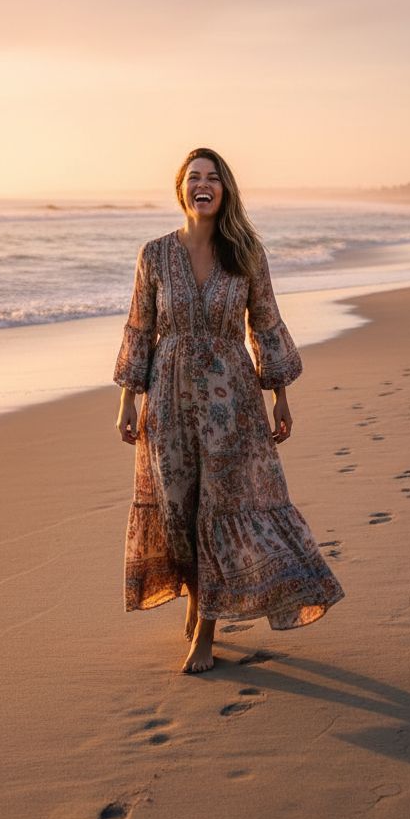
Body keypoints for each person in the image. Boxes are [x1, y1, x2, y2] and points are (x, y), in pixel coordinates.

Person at [114, 148, 345, 674]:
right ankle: (198, 600)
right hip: (167, 403)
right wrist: (127, 400)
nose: (204, 185)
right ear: (181, 190)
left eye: (213, 178)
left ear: (225, 190)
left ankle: (206, 632)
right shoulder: (153, 256)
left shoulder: (246, 255)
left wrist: (280, 393)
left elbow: (265, 323)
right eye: (194, 177)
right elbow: (138, 328)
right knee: (179, 514)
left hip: (231, 406)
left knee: (218, 512)